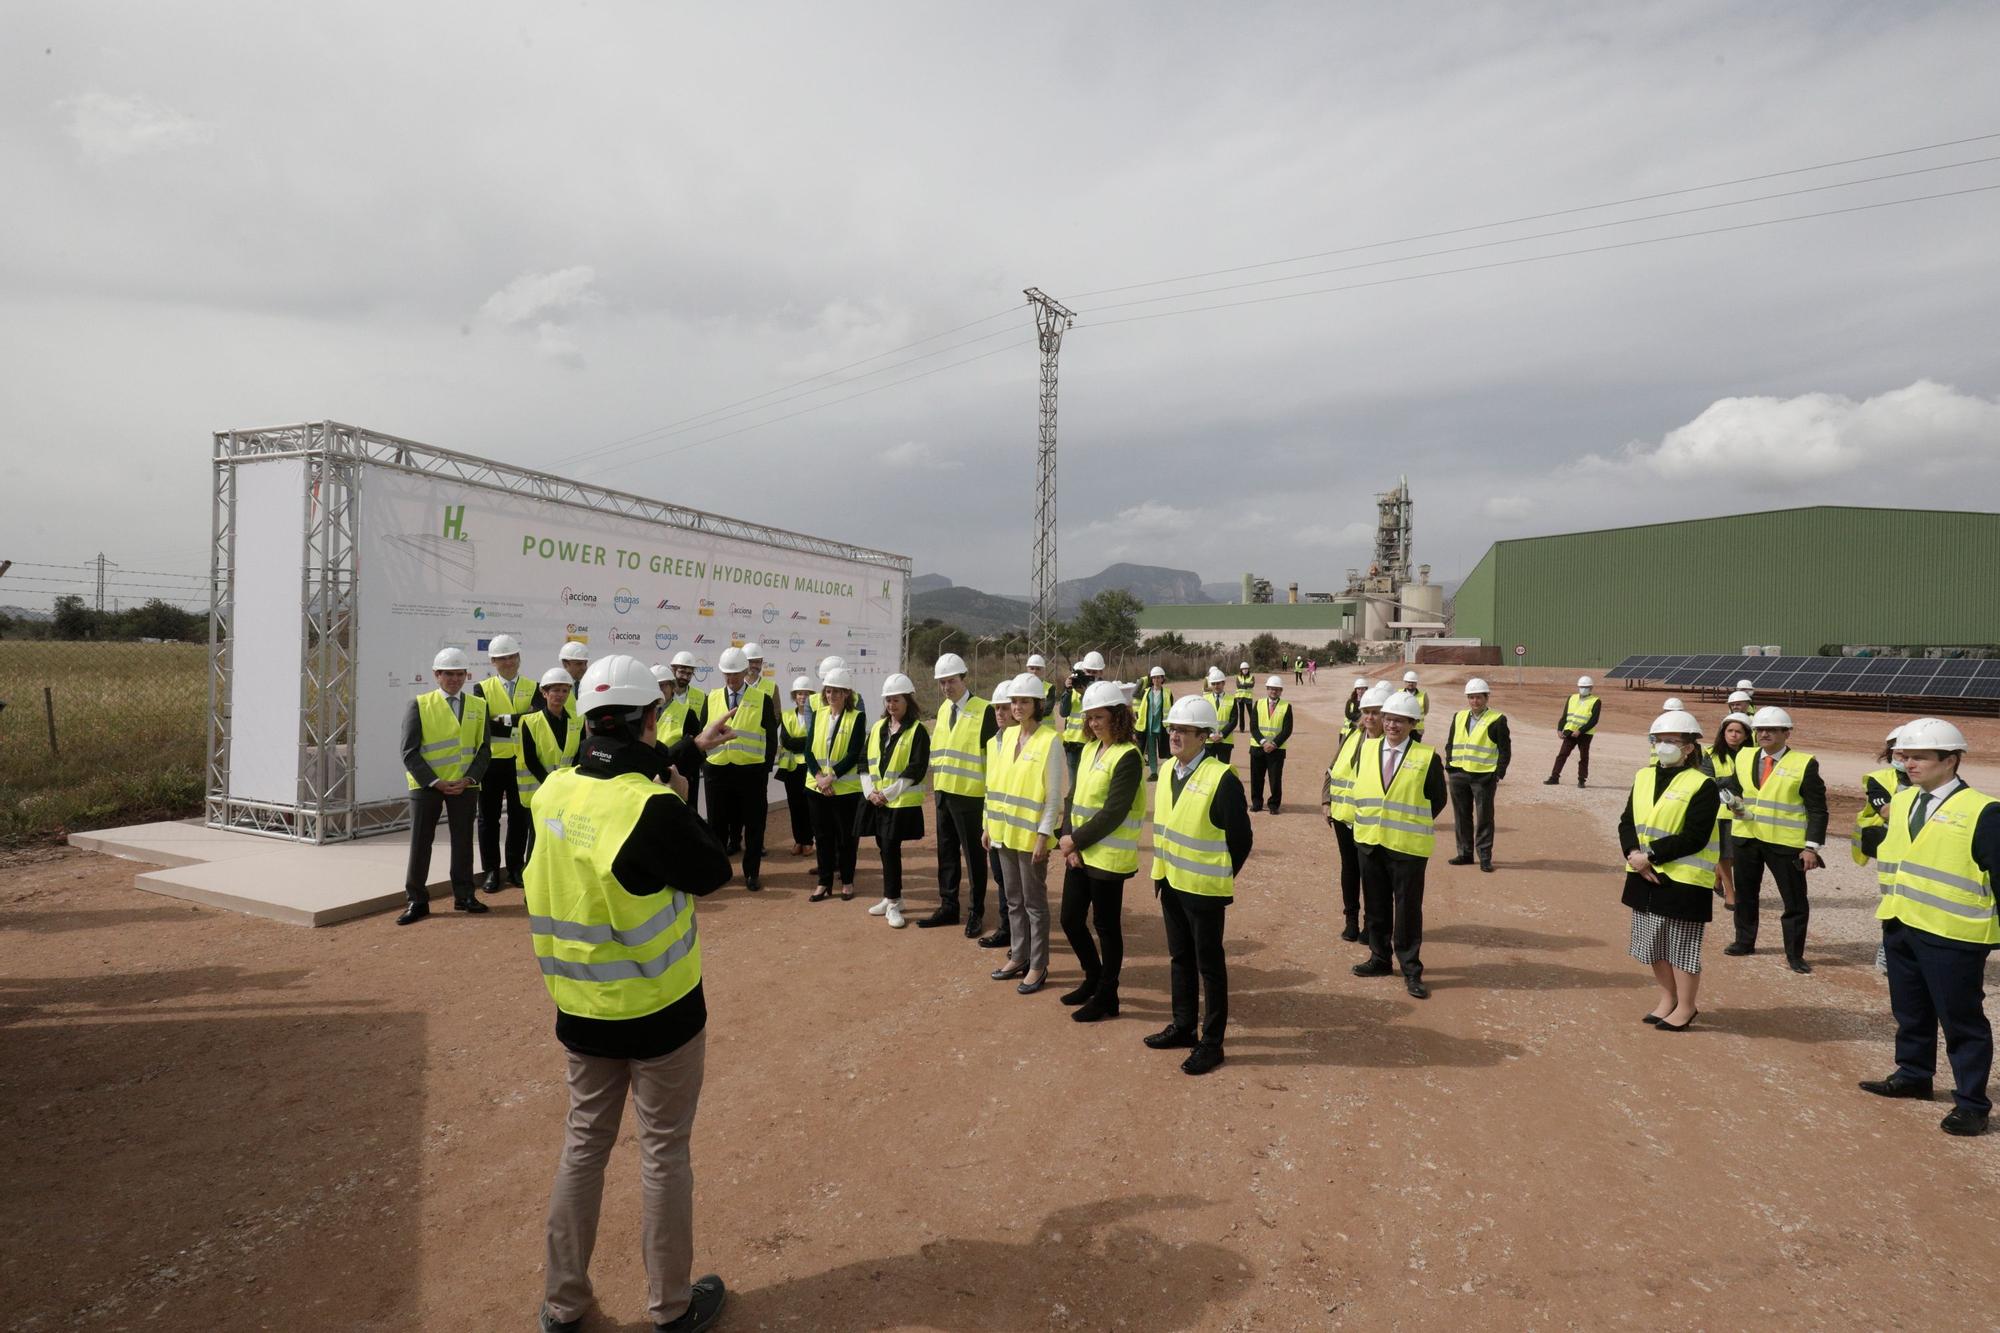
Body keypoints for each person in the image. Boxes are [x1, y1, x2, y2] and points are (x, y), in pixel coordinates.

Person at [523, 654, 734, 1333]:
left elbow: (612, 773)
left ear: (585, 717)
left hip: (582, 1011)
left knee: (583, 1145)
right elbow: (711, 867)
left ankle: (562, 1302)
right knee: (663, 1152)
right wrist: (677, 783)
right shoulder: (651, 806)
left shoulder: (552, 792)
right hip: (661, 1014)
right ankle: (671, 1308)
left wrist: (685, 752)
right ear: (650, 718)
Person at [1859, 716, 1999, 1137]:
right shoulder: (1902, 802)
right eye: (1904, 756)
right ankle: (1914, 1076)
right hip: (1902, 923)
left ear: (1951, 760)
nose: (1907, 764)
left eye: (1918, 757)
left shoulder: (1983, 811)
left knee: (1961, 1021)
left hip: (1954, 934)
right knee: (1911, 1011)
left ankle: (1972, 1103)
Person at [1142, 695, 1254, 1075]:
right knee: (1180, 959)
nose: (1174, 735)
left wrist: (1219, 874)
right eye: (1172, 728)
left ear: (1204, 736)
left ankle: (1212, 1041)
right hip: (1171, 882)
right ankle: (1184, 1026)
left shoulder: (1221, 778)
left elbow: (1241, 840)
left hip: (1203, 890)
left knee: (1210, 966)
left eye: (1183, 730)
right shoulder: (1169, 771)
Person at [1620, 710, 1721, 1032]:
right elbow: (1627, 821)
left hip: (1683, 880)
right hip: (1644, 872)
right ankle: (1668, 999)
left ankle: (1687, 1007)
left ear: (1689, 747)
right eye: (1659, 740)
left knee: (1682, 948)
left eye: (1672, 741)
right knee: (1651, 944)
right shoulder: (1643, 776)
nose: (1663, 746)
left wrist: (1651, 856)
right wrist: (1634, 854)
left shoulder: (1702, 784)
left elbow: (1695, 835)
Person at [1057, 680, 1146, 1023]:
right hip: (1080, 851)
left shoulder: (1128, 756)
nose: (1094, 723)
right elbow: (1073, 797)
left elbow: (1114, 811)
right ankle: (1092, 978)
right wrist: (1070, 840)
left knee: (1106, 927)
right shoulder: (1091, 749)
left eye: (1100, 717)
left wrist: (1074, 841)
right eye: (1090, 717)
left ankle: (1108, 996)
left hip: (1107, 857)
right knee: (1069, 920)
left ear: (1118, 716)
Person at [1349, 692, 1448, 998]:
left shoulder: (1426, 757)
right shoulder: (1366, 749)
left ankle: (1411, 969)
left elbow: (1437, 799)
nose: (1392, 725)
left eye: (1400, 721)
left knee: (1407, 911)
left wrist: (1408, 823)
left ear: (1412, 724)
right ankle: (1379, 959)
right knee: (1376, 906)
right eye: (1388, 718)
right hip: (1370, 843)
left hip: (1407, 847)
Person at [1725, 705, 1828, 973]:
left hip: (1785, 843)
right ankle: (1744, 941)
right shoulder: (1744, 757)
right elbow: (1738, 789)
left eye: (1772, 730)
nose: (1765, 734)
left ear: (1787, 733)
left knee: (1794, 901)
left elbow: (1818, 809)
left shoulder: (1803, 763)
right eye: (1760, 730)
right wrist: (1732, 802)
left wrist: (1811, 847)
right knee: (1746, 894)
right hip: (1747, 838)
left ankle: (1794, 955)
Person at [983, 672, 1067, 995]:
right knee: (1013, 900)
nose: (1017, 706)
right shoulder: (1005, 740)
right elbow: (995, 789)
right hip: (1004, 834)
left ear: (1037, 705)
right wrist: (989, 825)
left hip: (1032, 838)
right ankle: (1018, 956)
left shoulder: (1049, 741)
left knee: (1034, 904)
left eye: (1024, 701)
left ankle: (1037, 964)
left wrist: (1044, 836)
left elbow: (1054, 796)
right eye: (1014, 701)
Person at [399, 647, 491, 925]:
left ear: (467, 675)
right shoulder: (419, 704)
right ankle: (417, 900)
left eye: (459, 673)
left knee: (463, 843)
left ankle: (464, 896)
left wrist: (469, 779)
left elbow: (484, 749)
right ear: (436, 675)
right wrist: (436, 782)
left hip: (464, 786)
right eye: (448, 674)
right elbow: (409, 752)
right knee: (420, 843)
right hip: (427, 786)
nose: (454, 678)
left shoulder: (478, 706)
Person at [926, 653, 997, 934]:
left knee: (974, 858)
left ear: (963, 678)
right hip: (944, 794)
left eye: (951, 680)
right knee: (946, 855)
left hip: (971, 797)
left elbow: (993, 759)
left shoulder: (984, 710)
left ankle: (975, 911)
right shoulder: (944, 710)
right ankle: (948, 906)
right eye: (942, 682)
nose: (947, 687)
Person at [702, 647, 777, 892]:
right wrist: (706, 764)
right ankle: (719, 872)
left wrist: (765, 769)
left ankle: (751, 874)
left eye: (735, 674)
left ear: (746, 671)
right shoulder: (711, 697)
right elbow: (704, 734)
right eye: (727, 674)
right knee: (717, 826)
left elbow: (771, 737)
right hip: (718, 772)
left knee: (754, 825)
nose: (731, 679)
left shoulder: (761, 699)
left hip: (751, 773)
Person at [860, 674, 930, 929]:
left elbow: (916, 768)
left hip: (898, 803)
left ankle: (893, 901)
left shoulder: (917, 731)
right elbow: (863, 761)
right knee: (884, 849)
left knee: (890, 849)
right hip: (876, 801)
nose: (892, 704)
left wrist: (886, 794)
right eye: (888, 700)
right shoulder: (878, 728)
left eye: (896, 700)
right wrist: (870, 792)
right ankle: (892, 898)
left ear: (908, 700)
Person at [1322, 682, 1390, 942]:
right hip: (1342, 816)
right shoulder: (1352, 736)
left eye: (1377, 712)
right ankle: (1351, 920)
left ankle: (1370, 925)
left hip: (1371, 821)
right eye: (1367, 712)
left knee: (1372, 875)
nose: (1370, 717)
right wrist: (1326, 800)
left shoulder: (1390, 745)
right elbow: (1332, 768)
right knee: (1349, 870)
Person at [474, 634, 539, 894]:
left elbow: (536, 720)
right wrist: (520, 720)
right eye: (502, 658)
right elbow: (485, 726)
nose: (508, 662)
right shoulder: (481, 688)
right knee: (488, 819)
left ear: (519, 658)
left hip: (521, 762)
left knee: (519, 817)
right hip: (491, 763)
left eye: (511, 657)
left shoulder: (534, 687)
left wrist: (505, 720)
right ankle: (491, 870)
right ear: (493, 661)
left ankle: (514, 868)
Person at [805, 667, 867, 901]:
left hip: (844, 790)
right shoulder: (819, 714)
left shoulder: (856, 717)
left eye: (837, 692)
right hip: (816, 788)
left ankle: (848, 881)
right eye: (828, 691)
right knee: (822, 837)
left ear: (846, 694)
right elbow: (808, 749)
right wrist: (820, 778)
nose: (832, 696)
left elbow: (853, 753)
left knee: (845, 838)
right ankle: (823, 882)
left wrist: (831, 777)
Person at [1853, 724, 1910, 973]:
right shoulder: (1880, 779)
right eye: (1900, 754)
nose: (1906, 760)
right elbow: (1885, 811)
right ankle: (1888, 949)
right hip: (1893, 850)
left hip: (1926, 849)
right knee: (1893, 902)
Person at [1444, 677, 1511, 872]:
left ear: (1486, 697)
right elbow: (1450, 742)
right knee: (1462, 815)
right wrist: (1450, 765)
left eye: (1479, 697)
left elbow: (1505, 749)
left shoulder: (1497, 719)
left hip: (1483, 776)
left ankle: (1484, 857)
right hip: (1458, 774)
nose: (1475, 701)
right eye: (1471, 697)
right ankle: (1465, 854)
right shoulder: (1459, 716)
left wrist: (1499, 773)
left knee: (1484, 817)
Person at [976, 677, 1017, 952]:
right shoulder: (993, 743)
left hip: (1017, 827)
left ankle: (1020, 935)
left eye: (1004, 708)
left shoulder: (1026, 743)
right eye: (996, 709)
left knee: (1020, 888)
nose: (1000, 714)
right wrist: (986, 826)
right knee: (1002, 880)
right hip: (996, 825)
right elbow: (990, 788)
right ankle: (1007, 928)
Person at [1706, 712, 1752, 911]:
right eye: (1730, 730)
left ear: (1746, 735)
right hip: (1722, 813)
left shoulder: (1753, 755)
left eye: (1738, 732)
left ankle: (1717, 877)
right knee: (1725, 854)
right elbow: (1707, 782)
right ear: (1723, 732)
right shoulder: (1710, 754)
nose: (1733, 735)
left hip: (1744, 812)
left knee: (1735, 856)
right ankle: (1730, 894)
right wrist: (1730, 782)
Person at [518, 667, 581, 812]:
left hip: (568, 789)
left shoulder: (578, 720)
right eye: (556, 690)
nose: (561, 695)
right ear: (544, 693)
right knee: (537, 834)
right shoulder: (529, 721)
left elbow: (579, 754)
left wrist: (568, 782)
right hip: (540, 790)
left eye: (565, 691)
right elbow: (530, 759)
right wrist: (551, 785)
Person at [775, 676, 816, 858]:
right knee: (794, 805)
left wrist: (802, 742)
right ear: (794, 696)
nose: (803, 697)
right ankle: (798, 840)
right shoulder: (787, 715)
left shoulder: (817, 717)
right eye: (800, 693)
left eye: (806, 693)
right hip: (791, 768)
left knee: (809, 806)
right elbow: (787, 741)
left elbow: (813, 741)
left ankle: (808, 841)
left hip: (809, 767)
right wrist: (804, 742)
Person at [668, 650, 710, 813]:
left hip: (691, 759)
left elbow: (704, 727)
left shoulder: (701, 696)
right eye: (682, 672)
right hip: (668, 758)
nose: (685, 676)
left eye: (689, 673)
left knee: (690, 804)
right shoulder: (663, 695)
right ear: (673, 670)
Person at [1247, 675, 1293, 814]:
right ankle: (1257, 803)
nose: (1274, 691)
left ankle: (1273, 805)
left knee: (1275, 779)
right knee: (1256, 778)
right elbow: (1253, 726)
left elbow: (1287, 729)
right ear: (1267, 689)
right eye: (1271, 688)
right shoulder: (1258, 704)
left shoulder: (1286, 706)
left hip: (1276, 749)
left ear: (1281, 691)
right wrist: (1263, 742)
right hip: (1258, 748)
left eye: (1277, 689)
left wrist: (1273, 743)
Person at [1545, 675, 1601, 787]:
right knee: (1562, 755)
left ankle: (1582, 780)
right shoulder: (1572, 698)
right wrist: (1559, 728)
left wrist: (1580, 730)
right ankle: (1554, 777)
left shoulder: (1596, 701)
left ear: (1591, 688)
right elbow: (1565, 715)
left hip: (1585, 734)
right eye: (1581, 687)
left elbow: (1594, 720)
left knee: (1583, 757)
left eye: (1586, 687)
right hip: (1570, 731)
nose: (1583, 689)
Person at [1133, 666, 1174, 779]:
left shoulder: (1167, 693)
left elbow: (1171, 709)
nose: (1156, 680)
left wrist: (1171, 725)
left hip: (1162, 726)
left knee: (1168, 750)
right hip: (1149, 727)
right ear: (1151, 679)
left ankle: (1171, 770)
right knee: (1151, 751)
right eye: (1154, 678)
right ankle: (1154, 772)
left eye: (1158, 677)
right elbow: (1140, 706)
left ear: (1162, 679)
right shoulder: (1146, 693)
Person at [1201, 667, 1236, 767]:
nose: (1216, 686)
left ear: (1223, 683)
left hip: (1225, 741)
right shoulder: (1205, 699)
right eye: (1213, 684)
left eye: (1218, 683)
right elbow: (1202, 720)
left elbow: (1233, 721)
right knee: (1208, 769)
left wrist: (1222, 734)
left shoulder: (1231, 699)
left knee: (1223, 770)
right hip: (1209, 741)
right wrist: (1211, 735)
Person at [1395, 670, 1429, 741]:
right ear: (1405, 682)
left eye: (1413, 682)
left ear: (1416, 683)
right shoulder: (1398, 693)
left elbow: (1425, 711)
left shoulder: (1423, 695)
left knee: (1415, 748)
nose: (1410, 684)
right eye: (1408, 682)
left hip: (1417, 729)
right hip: (1402, 726)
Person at [1233, 661, 1256, 735]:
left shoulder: (1252, 677)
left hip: (1248, 698)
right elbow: (1238, 685)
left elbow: (1252, 685)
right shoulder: (1238, 677)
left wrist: (1244, 684)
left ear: (1248, 669)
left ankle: (1253, 728)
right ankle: (1241, 728)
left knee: (1251, 714)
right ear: (1241, 670)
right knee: (1241, 713)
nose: (1245, 670)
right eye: (1243, 669)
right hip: (1240, 697)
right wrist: (1247, 685)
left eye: (1246, 669)